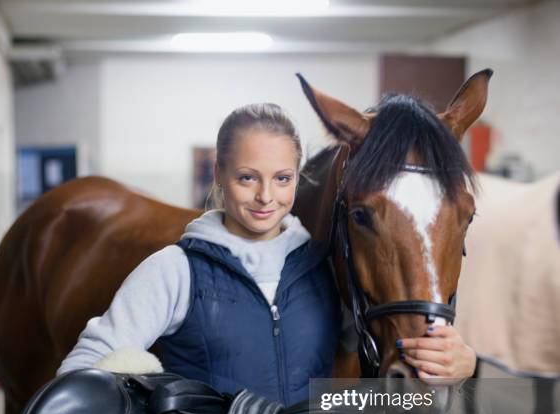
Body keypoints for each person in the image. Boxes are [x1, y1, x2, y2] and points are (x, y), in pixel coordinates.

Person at [57, 102, 475, 390]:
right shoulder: (174, 269)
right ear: (219, 174)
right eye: (246, 177)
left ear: (298, 178)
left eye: (281, 178)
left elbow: (382, 409)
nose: (265, 197)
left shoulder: (323, 277)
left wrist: (459, 367)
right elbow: (81, 372)